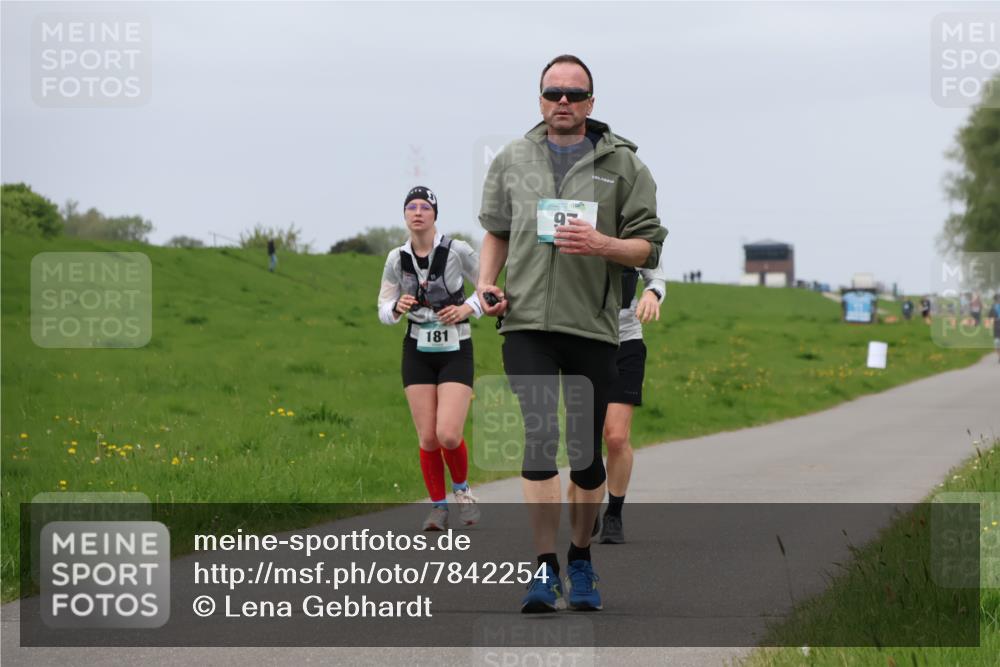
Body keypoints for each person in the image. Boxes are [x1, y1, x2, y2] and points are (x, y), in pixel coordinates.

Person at [477, 54, 667, 613]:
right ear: (539, 99)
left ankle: (581, 558)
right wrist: (486, 283)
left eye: (574, 94)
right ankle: (544, 569)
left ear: (591, 102)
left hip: (593, 327)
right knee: (539, 438)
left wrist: (603, 244)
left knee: (585, 454)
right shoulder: (513, 158)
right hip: (527, 324)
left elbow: (648, 247)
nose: (563, 101)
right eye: (553, 92)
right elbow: (496, 230)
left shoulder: (625, 165)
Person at [378, 186, 482, 531]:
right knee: (427, 438)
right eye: (411, 207)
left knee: (448, 434)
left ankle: (462, 490)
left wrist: (467, 308)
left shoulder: (457, 251)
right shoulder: (396, 258)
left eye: (425, 207)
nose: (418, 212)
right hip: (417, 349)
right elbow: (383, 308)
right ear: (404, 214)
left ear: (435, 214)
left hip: (456, 347)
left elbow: (489, 288)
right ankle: (438, 507)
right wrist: (396, 307)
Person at [597, 253, 666, 544]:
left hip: (626, 343)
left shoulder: (636, 236)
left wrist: (651, 294)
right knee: (584, 440)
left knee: (615, 437)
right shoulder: (575, 230)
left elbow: (656, 276)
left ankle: (614, 513)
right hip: (581, 343)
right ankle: (587, 502)